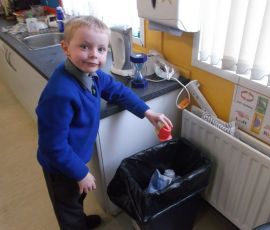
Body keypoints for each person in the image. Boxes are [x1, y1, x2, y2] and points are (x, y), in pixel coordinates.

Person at [36, 15, 173, 230]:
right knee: (68, 207)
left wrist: (148, 113)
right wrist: (80, 173)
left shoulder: (95, 75)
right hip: (59, 167)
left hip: (76, 156)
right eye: (84, 46)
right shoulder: (60, 93)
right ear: (65, 48)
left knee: (78, 197)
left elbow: (118, 92)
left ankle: (79, 221)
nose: (93, 55)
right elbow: (53, 147)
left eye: (101, 49)